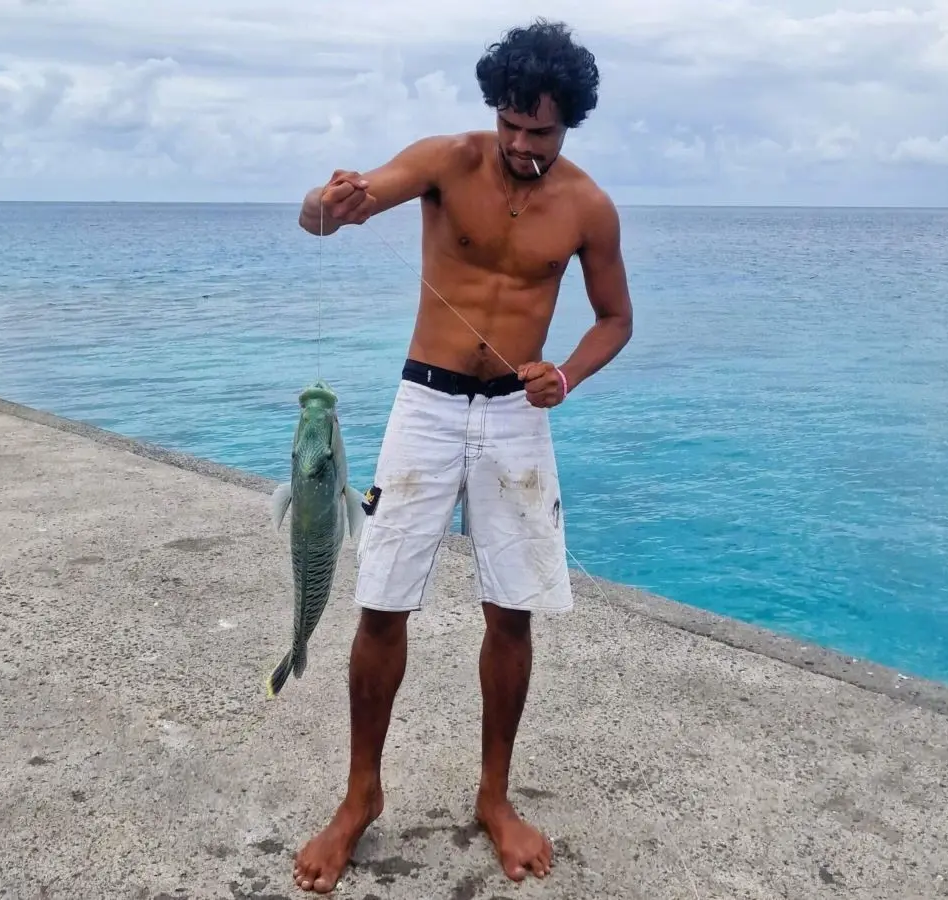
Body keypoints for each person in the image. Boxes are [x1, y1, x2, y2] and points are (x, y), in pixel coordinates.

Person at [290, 18, 633, 894]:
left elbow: (614, 319)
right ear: (497, 112)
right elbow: (349, 204)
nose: (522, 145)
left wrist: (568, 375)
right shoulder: (448, 160)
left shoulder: (588, 207)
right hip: (426, 407)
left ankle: (494, 797)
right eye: (512, 124)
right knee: (380, 604)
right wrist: (327, 203)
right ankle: (360, 795)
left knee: (510, 613)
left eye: (542, 132)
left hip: (518, 417)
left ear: (571, 125)